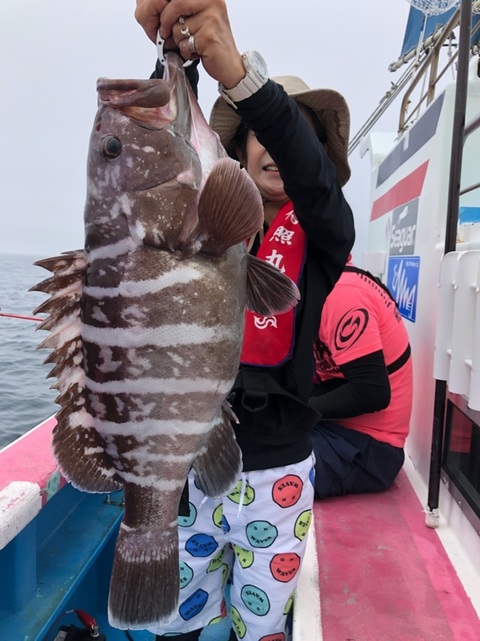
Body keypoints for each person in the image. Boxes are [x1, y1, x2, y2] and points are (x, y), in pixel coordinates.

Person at [134, 1, 355, 639]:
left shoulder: (324, 230)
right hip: (193, 462)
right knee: (178, 622)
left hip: (278, 477)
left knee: (259, 630)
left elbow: (313, 178)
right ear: (238, 145)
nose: (280, 151)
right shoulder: (194, 216)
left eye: (297, 139)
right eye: (263, 136)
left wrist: (238, 74)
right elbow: (164, 155)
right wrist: (175, 56)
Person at [309, 259, 413, 499]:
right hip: (339, 430)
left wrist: (295, 411)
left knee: (255, 467)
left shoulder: (340, 294)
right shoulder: (330, 283)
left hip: (370, 449)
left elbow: (371, 392)